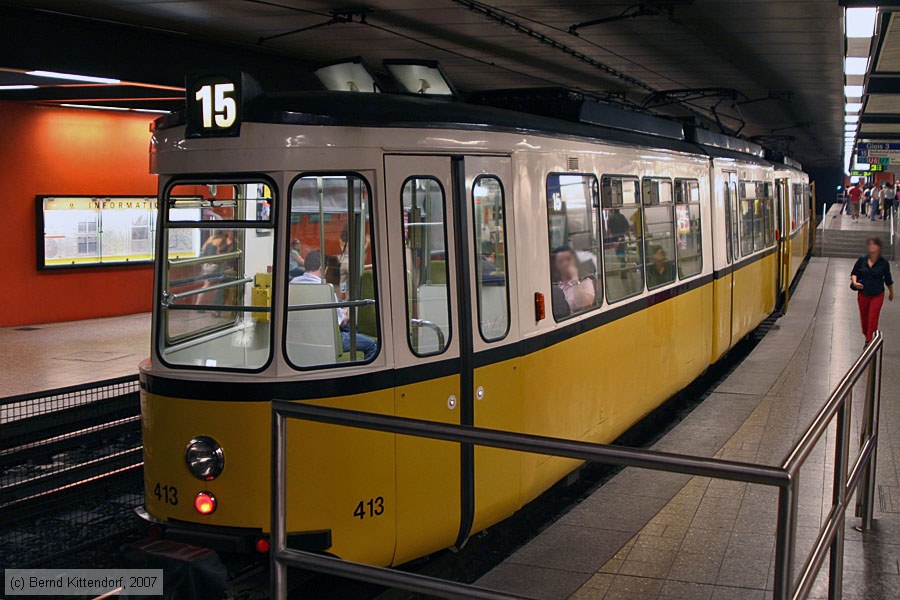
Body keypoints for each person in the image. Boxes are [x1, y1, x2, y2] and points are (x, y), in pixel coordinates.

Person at [290, 250, 378, 361]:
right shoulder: (326, 290)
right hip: (326, 340)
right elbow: (340, 323)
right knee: (372, 345)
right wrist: (348, 311)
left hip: (301, 338)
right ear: (323, 268)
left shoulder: (292, 284)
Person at [851, 237, 894, 344]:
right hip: (863, 294)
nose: (871, 247)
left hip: (877, 294)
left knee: (873, 317)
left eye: (874, 245)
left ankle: (869, 341)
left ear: (879, 247)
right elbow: (854, 273)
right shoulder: (862, 260)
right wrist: (855, 282)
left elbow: (888, 279)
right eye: (870, 244)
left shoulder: (883, 263)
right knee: (864, 320)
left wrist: (891, 292)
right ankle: (867, 335)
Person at [551, 246, 595, 314]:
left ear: (575, 261)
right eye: (560, 261)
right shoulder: (554, 284)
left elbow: (584, 305)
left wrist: (574, 278)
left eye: (568, 259)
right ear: (556, 265)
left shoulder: (585, 282)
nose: (565, 264)